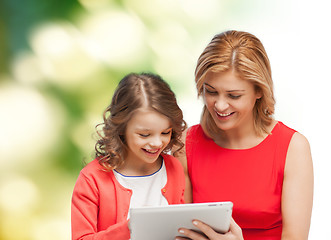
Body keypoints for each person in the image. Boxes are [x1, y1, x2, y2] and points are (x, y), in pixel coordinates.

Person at [176, 30, 314, 240]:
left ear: (259, 91)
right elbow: (178, 229)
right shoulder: (187, 143)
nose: (220, 105)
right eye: (211, 91)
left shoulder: (292, 148)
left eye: (234, 95)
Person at [71, 73, 187, 240]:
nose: (156, 143)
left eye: (165, 132)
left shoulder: (173, 168)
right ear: (122, 129)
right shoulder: (92, 179)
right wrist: (131, 228)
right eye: (144, 135)